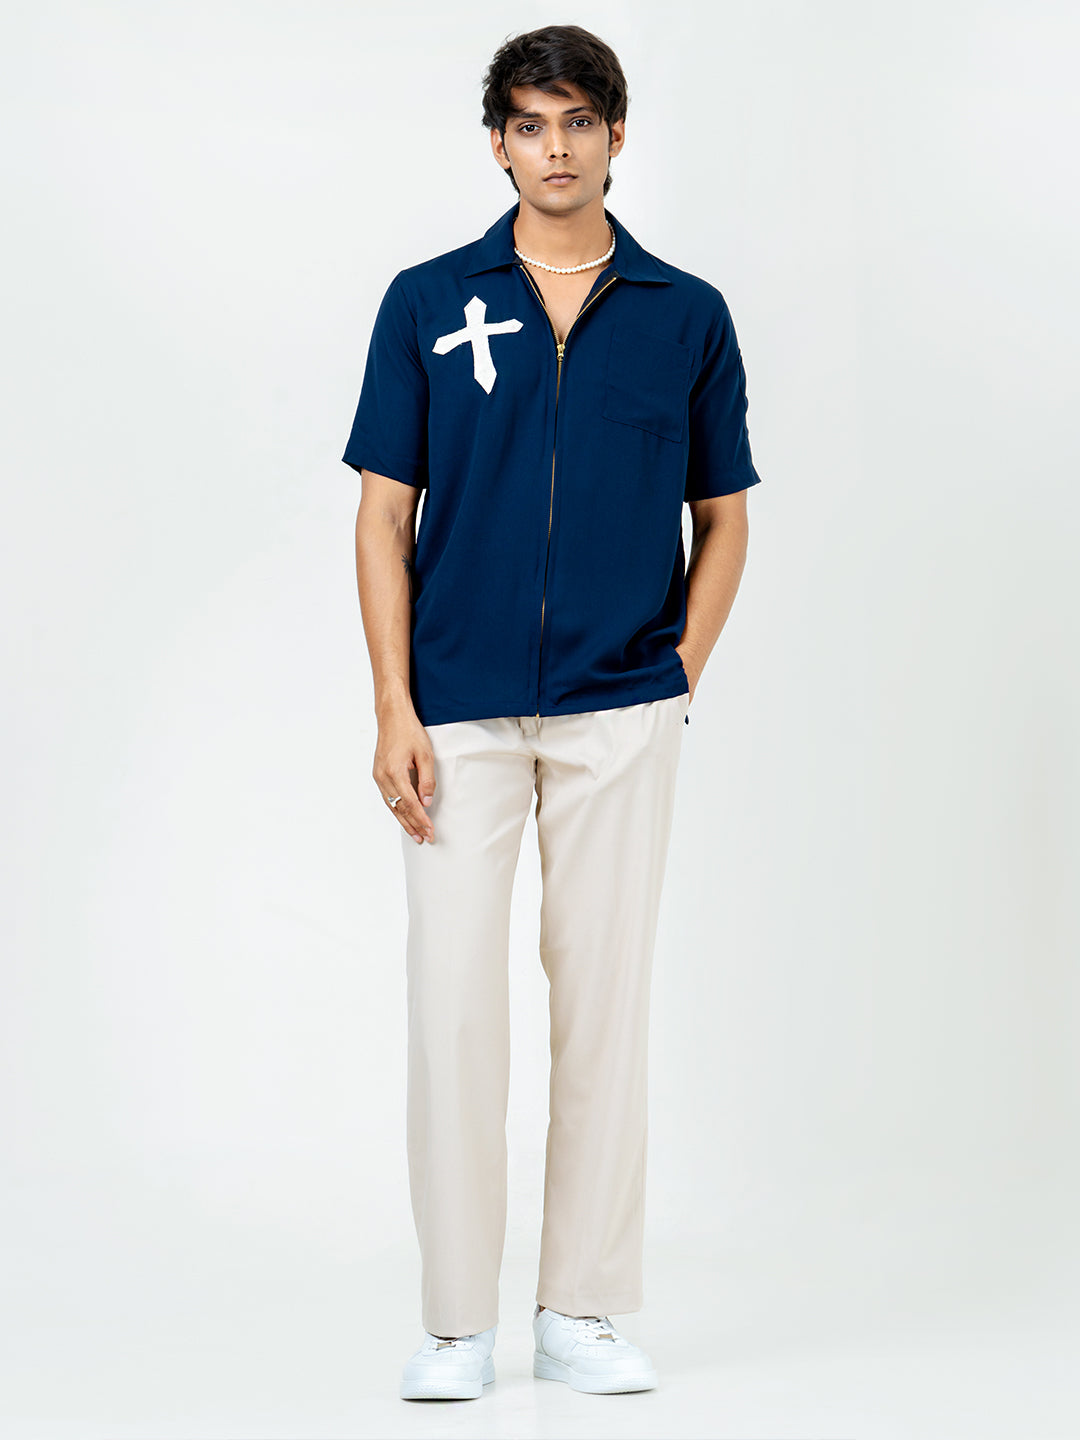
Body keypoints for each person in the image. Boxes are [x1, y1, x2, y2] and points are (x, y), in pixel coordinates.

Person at [342, 23, 763, 1401]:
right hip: (456, 710)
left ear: (618, 136)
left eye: (579, 120)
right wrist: (394, 704)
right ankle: (457, 1323)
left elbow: (724, 517)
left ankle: (581, 1307)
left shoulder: (685, 314)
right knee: (453, 1008)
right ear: (498, 144)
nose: (556, 146)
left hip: (618, 710)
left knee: (604, 1007)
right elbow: (382, 517)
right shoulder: (428, 301)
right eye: (530, 123)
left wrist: (676, 672)